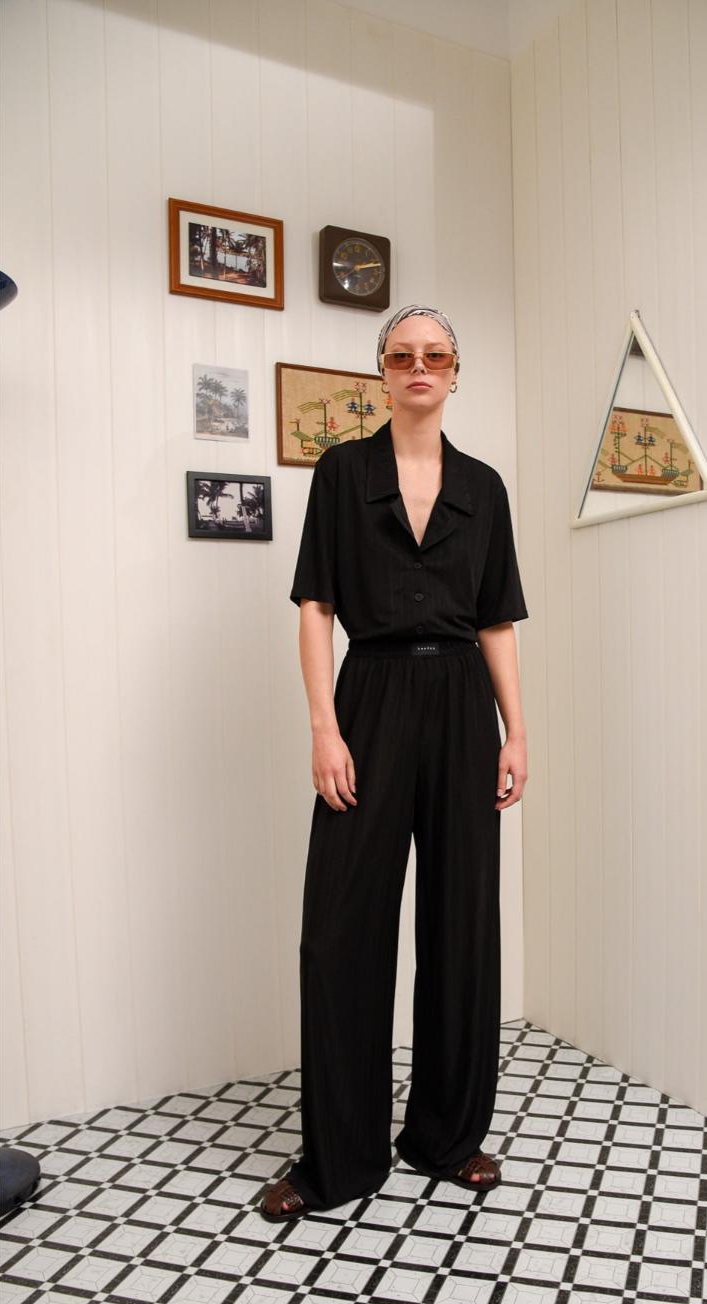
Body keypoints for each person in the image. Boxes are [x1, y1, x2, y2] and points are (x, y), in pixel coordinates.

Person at [260, 304, 529, 1222]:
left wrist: (516, 731)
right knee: (340, 931)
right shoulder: (343, 474)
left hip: (461, 706)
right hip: (368, 699)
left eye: (436, 355)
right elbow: (316, 609)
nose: (420, 367)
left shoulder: (485, 488)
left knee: (462, 926)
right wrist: (324, 728)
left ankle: (446, 1138)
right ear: (382, 371)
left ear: (455, 372)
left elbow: (496, 619)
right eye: (403, 355)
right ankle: (340, 1157)